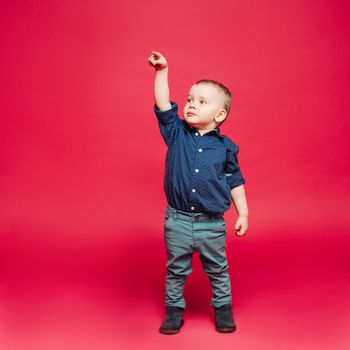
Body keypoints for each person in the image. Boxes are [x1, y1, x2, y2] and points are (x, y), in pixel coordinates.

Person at [147, 51, 249, 334]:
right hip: (177, 221)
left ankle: (224, 308)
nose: (191, 105)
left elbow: (235, 181)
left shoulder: (226, 147)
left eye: (201, 102)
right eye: (190, 99)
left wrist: (244, 213)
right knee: (176, 270)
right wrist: (162, 71)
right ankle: (174, 311)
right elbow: (163, 104)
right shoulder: (176, 133)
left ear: (220, 114)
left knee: (217, 269)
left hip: (211, 223)